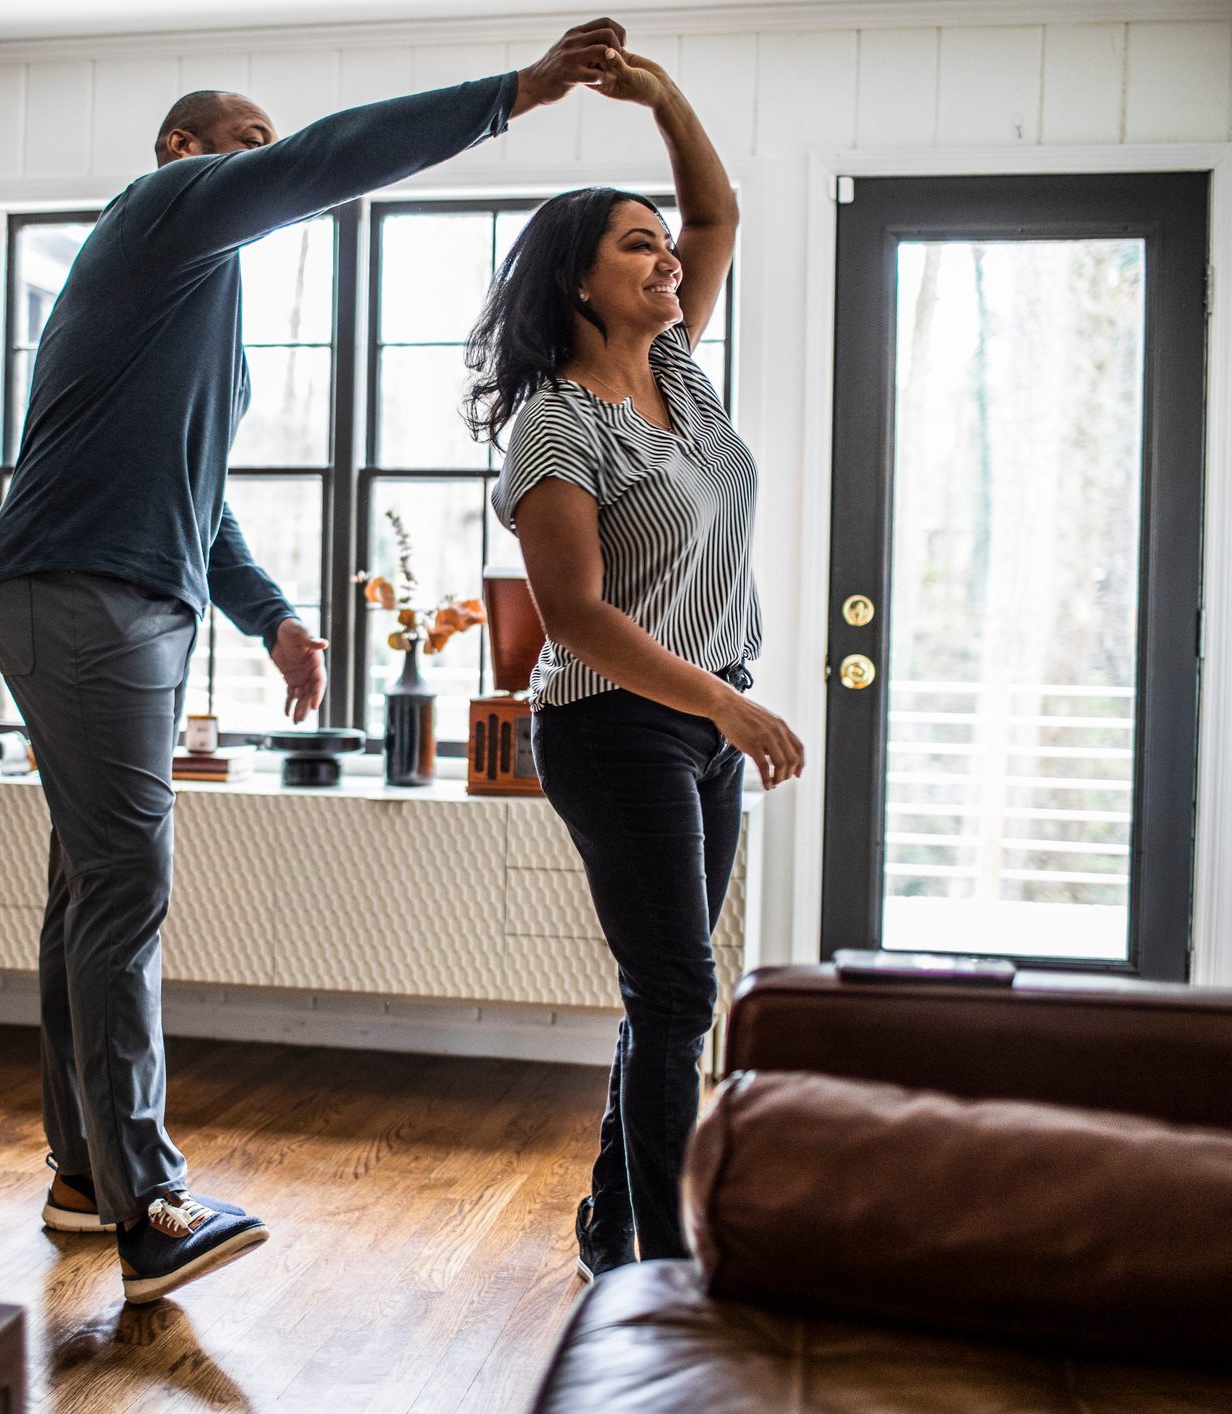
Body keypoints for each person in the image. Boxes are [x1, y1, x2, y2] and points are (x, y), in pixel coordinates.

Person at [0, 17, 639, 1306]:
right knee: (124, 887)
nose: (266, 158)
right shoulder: (160, 214)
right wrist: (517, 91)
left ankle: (84, 1174)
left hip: (113, 594)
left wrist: (271, 616)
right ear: (183, 150)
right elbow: (333, 155)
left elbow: (193, 493)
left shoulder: (195, 301)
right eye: (246, 141)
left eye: (265, 144)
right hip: (84, 591)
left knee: (87, 892)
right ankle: (149, 1203)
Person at [471, 50, 804, 1282]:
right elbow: (575, 617)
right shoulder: (555, 424)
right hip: (615, 727)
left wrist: (661, 99)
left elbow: (717, 218)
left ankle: (615, 1233)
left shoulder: (677, 373)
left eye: (664, 247)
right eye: (635, 246)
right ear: (579, 281)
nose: (668, 260)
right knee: (677, 994)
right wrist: (728, 707)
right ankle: (668, 1269)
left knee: (666, 995)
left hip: (701, 719)